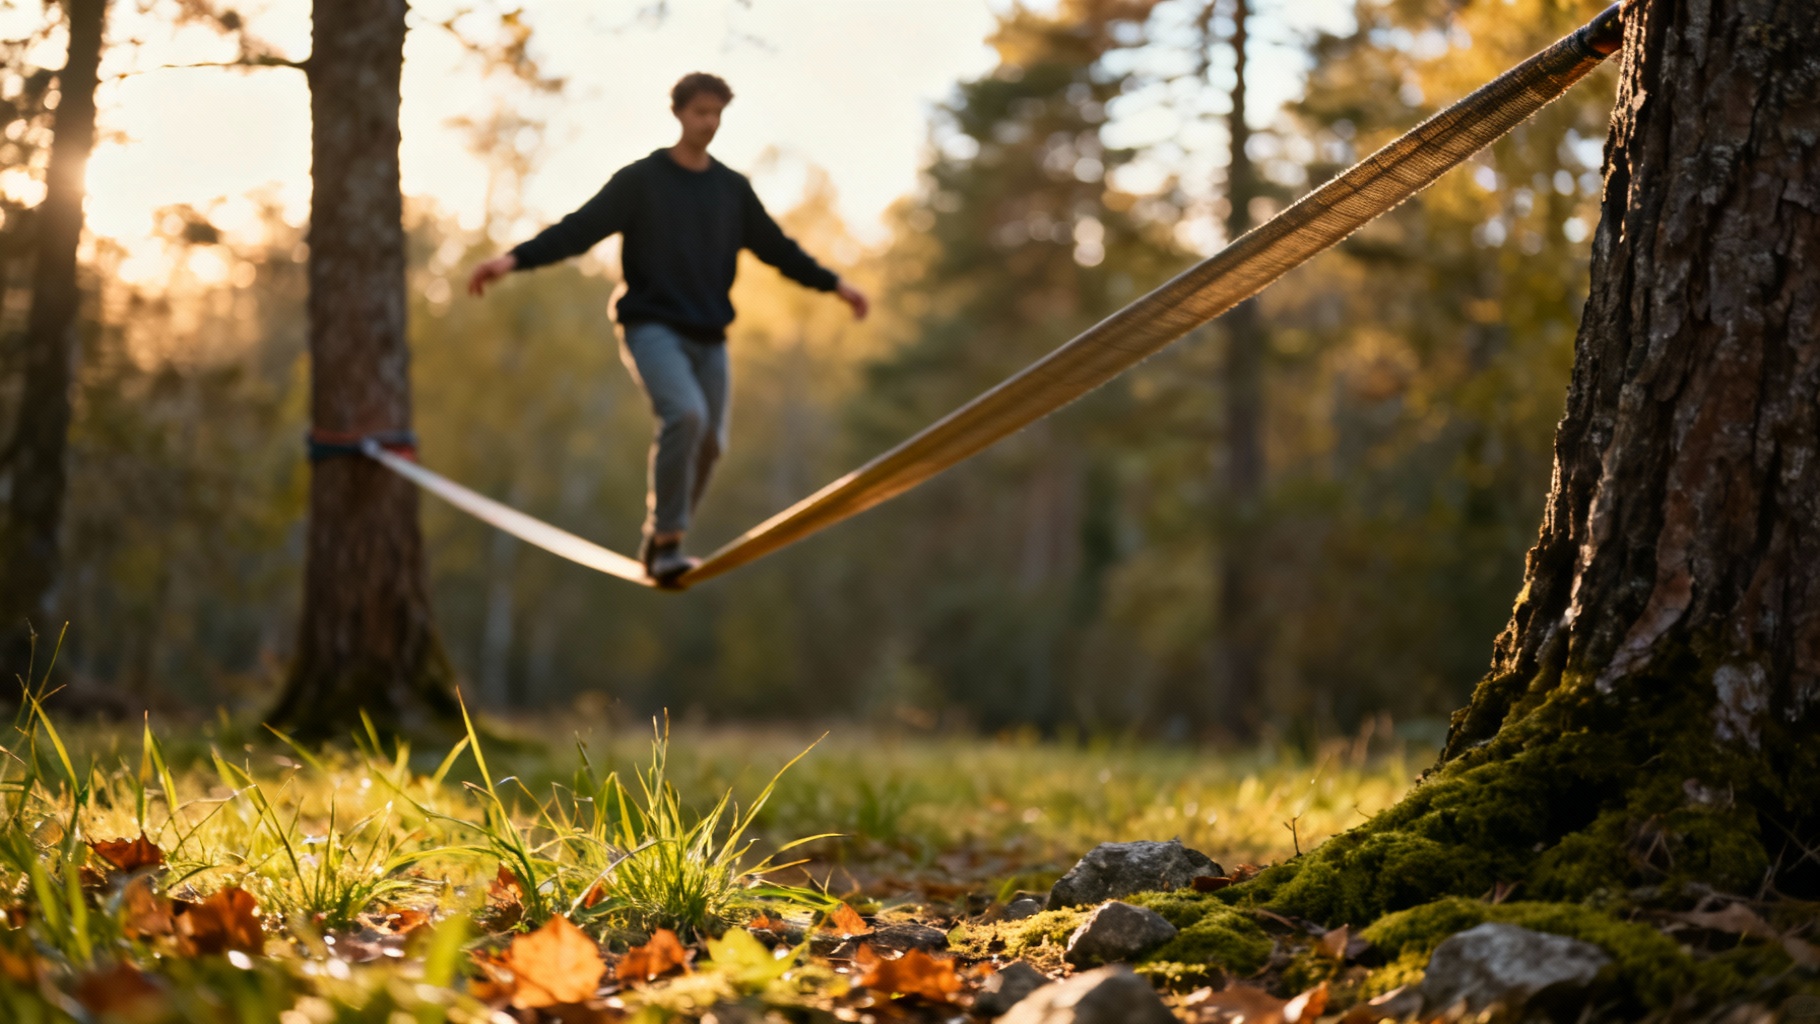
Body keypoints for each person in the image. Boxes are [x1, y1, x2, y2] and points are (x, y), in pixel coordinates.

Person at [468, 72, 868, 585]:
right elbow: (580, 228)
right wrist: (513, 260)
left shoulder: (731, 190)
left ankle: (658, 542)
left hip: (710, 337)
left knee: (711, 445)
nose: (709, 122)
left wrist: (837, 285)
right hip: (651, 326)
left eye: (717, 114)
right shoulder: (642, 181)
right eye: (700, 112)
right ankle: (671, 540)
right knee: (686, 414)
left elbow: (778, 249)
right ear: (678, 113)